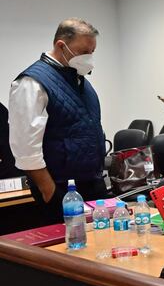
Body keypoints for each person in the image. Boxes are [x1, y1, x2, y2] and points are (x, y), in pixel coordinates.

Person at [9, 18, 107, 225]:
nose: (89, 58)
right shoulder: (32, 83)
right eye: (83, 51)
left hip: (92, 183)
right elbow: (25, 148)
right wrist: (49, 191)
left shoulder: (79, 80)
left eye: (92, 52)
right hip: (60, 189)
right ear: (61, 46)